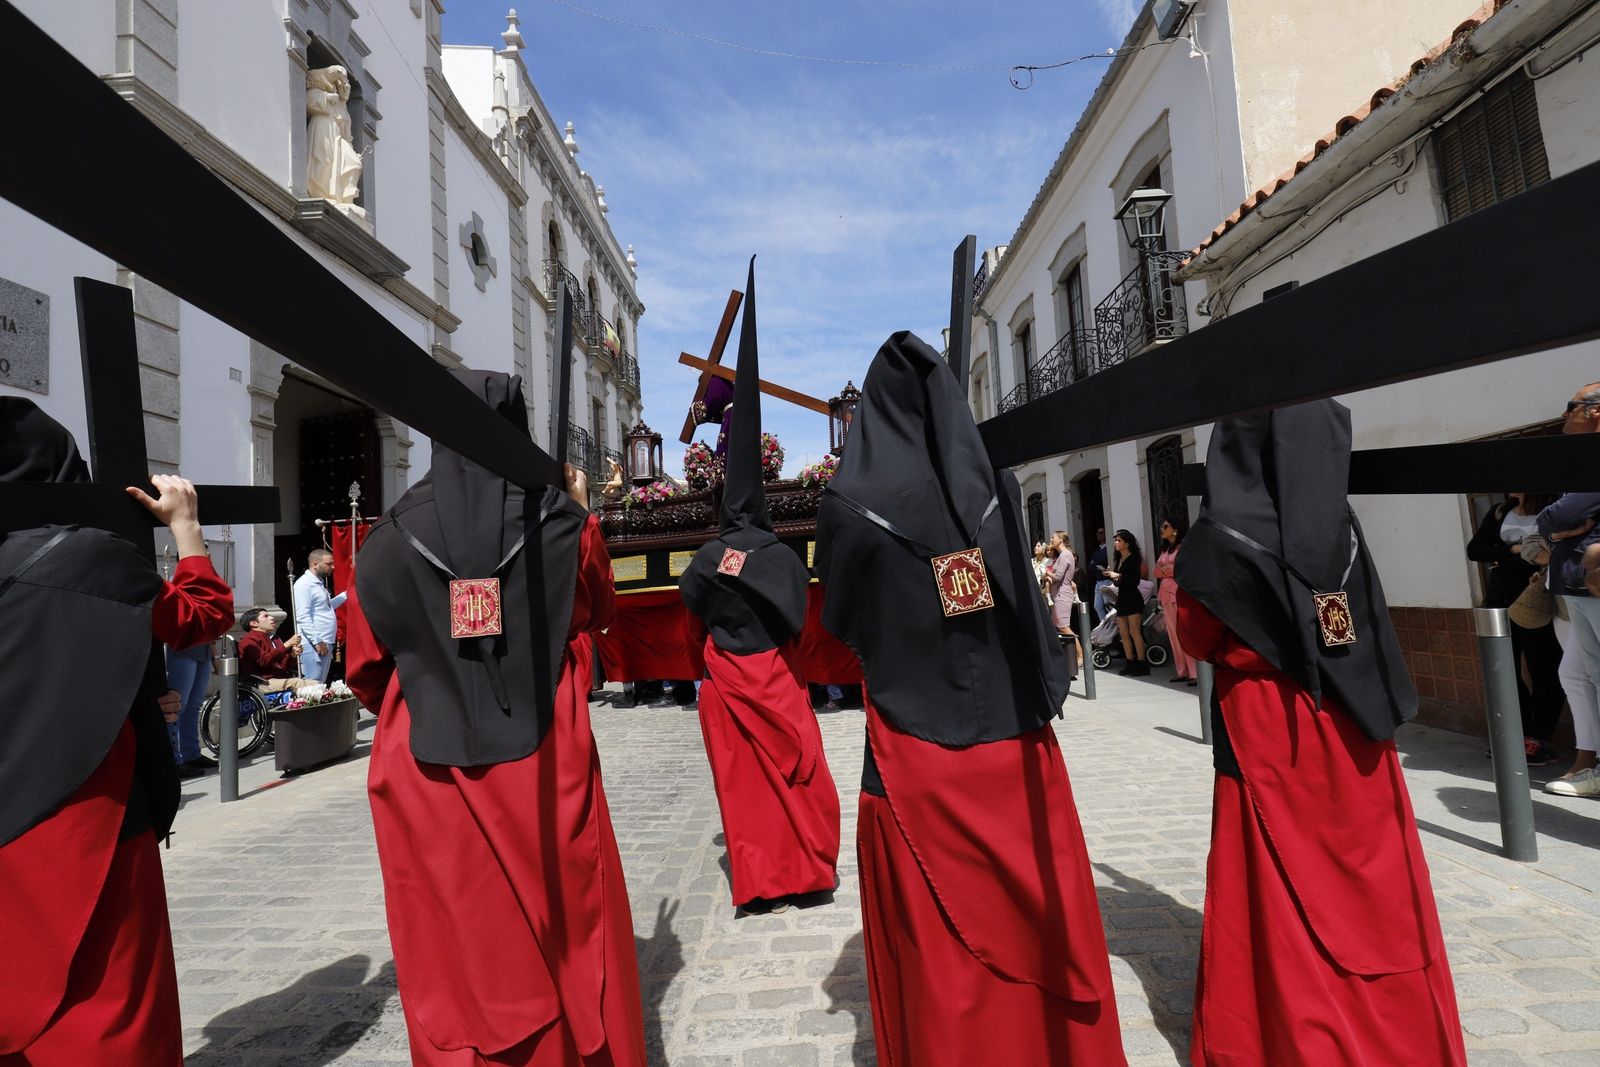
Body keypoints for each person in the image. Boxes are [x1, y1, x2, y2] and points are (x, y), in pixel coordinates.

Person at [817, 332, 1124, 1065]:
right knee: (1036, 928)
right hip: (1015, 743)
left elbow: (841, 625)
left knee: (945, 964)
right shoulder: (991, 486)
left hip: (911, 746)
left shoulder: (851, 506)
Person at [344, 370, 645, 1065]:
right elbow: (598, 612)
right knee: (568, 923)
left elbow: (364, 665)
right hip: (544, 752)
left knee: (461, 944)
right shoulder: (562, 522)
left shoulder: (386, 540)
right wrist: (572, 510)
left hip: (428, 762)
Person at [1174, 399, 1465, 1065]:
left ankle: (1286, 1030)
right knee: (1370, 886)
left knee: (1278, 885)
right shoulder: (1340, 524)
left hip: (1266, 726)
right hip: (1354, 720)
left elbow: (1197, 634)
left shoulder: (1220, 536)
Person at [0, 398, 234, 1066]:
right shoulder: (88, 555)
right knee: (107, 1006)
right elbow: (202, 614)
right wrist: (186, 528)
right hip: (85, 816)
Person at [680, 257, 840, 913]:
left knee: (744, 787)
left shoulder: (706, 556)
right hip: (775, 676)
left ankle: (761, 883)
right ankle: (805, 874)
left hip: (726, 679)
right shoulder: (775, 555)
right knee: (798, 777)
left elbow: (690, 625)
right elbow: (800, 621)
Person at [1536, 382, 1600, 798]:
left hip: (1593, 582)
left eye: (1571, 407)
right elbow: (1554, 522)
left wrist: (1552, 527)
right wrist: (1554, 529)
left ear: (1595, 412)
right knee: (1591, 675)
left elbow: (1565, 513)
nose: (1564, 416)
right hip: (1579, 583)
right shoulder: (1582, 460)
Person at [1467, 492, 1564, 765]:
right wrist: (1516, 550)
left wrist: (1501, 554)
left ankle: (1539, 738)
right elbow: (1475, 550)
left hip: (1536, 596)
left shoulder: (1552, 511)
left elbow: (1551, 553)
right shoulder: (1500, 511)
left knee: (1543, 668)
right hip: (1500, 596)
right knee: (1504, 667)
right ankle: (1518, 734)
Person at [1153, 518, 1197, 686]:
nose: (1162, 529)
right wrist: (1168, 570)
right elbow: (1156, 571)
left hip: (1179, 593)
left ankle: (1194, 672)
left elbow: (1183, 568)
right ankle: (1182, 670)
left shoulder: (1183, 548)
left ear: (1176, 530)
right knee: (1173, 634)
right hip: (1166, 593)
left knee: (1185, 632)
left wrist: (1168, 570)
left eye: (1166, 526)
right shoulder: (1165, 550)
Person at [293, 547, 346, 683]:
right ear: (315, 564)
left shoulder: (318, 583)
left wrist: (347, 594)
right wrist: (316, 640)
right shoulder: (304, 584)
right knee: (312, 684)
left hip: (325, 640)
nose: (332, 567)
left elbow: (325, 608)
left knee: (319, 684)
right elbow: (302, 616)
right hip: (313, 643)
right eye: (328, 564)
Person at [165, 634, 215, 776]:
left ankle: (192, 754)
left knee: (194, 705)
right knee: (178, 706)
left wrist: (212, 651)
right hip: (183, 646)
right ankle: (174, 760)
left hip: (204, 648)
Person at [1104, 529, 1148, 676]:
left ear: (1127, 543)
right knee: (1123, 633)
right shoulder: (1119, 558)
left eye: (1119, 540)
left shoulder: (1133, 558)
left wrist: (1118, 575)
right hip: (1122, 598)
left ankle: (1142, 663)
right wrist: (1113, 577)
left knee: (1135, 632)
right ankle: (1129, 662)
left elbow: (1134, 580)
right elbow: (1119, 583)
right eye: (1115, 540)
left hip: (1133, 599)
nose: (1116, 543)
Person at [237, 607, 306, 691]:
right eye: (266, 616)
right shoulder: (248, 640)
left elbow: (281, 666)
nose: (272, 618)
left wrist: (292, 655)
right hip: (262, 682)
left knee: (316, 685)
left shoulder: (272, 639)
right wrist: (286, 645)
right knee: (299, 683)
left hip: (279, 678)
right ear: (254, 623)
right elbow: (264, 661)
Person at [1048, 530, 1081, 666]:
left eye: (1053, 537)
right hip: (1060, 593)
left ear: (1060, 540)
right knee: (1059, 627)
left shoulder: (1065, 555)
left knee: (1063, 627)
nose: (1051, 539)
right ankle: (1071, 656)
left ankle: (1080, 655)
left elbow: (1058, 577)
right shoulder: (1064, 555)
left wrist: (1045, 573)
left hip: (1062, 593)